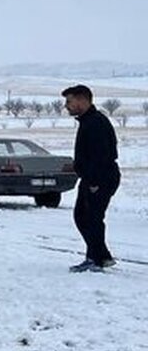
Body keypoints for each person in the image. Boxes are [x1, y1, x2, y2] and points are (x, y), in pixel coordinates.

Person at [63, 84, 121, 272]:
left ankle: (97, 259)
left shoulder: (96, 123)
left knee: (91, 218)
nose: (66, 106)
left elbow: (102, 155)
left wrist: (95, 182)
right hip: (91, 177)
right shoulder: (88, 121)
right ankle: (99, 256)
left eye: (69, 101)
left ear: (82, 100)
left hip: (101, 177)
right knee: (83, 216)